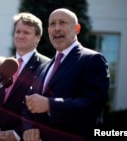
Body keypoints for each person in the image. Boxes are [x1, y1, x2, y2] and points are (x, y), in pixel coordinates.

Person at [22, 8, 110, 141]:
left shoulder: (92, 59)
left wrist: (50, 105)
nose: (57, 28)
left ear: (77, 28)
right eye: (52, 24)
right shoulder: (43, 67)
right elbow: (28, 104)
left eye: (62, 22)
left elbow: (93, 104)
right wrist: (29, 127)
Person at [0, 12, 50, 141]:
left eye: (26, 33)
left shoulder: (46, 67)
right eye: (18, 31)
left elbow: (45, 111)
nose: (20, 36)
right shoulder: (1, 66)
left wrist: (17, 134)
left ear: (38, 37)